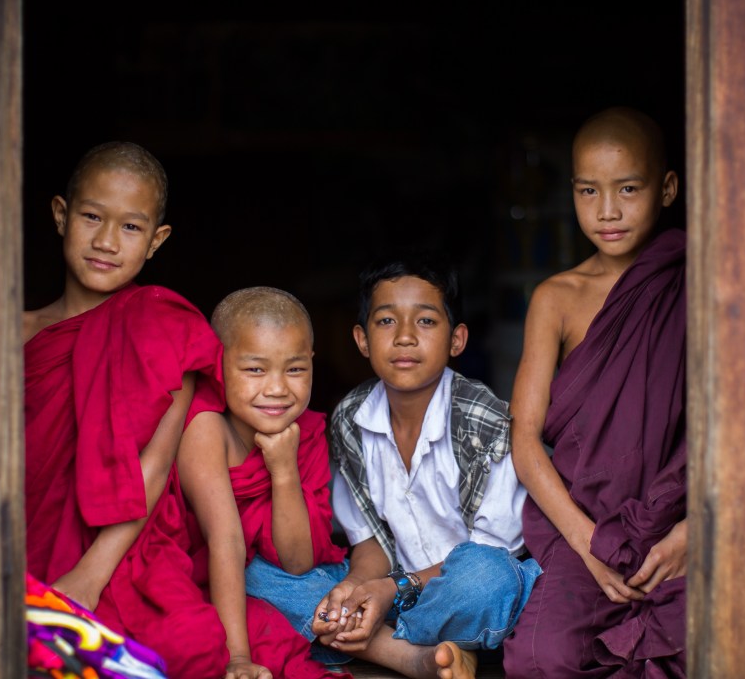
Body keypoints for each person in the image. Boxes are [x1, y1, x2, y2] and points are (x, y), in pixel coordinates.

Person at [23, 140, 235, 677]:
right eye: (92, 217)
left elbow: (155, 466)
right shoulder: (12, 331)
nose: (106, 241)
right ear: (61, 215)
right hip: (22, 538)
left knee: (191, 648)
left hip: (121, 549)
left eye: (131, 227)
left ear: (156, 240)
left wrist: (88, 578)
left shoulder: (163, 324)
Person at [501, 106, 688, 678]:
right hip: (585, 525)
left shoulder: (701, 281)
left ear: (667, 188)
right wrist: (589, 545)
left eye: (628, 189)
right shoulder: (556, 298)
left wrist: (696, 532)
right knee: (541, 659)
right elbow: (525, 442)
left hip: (681, 524)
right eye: (589, 191)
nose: (607, 210)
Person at [311, 255, 542, 679]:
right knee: (266, 579)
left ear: (457, 340)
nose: (404, 337)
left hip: (467, 595)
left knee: (487, 579)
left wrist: (392, 590)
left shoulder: (484, 420)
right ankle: (414, 652)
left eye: (426, 321)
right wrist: (356, 588)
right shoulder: (351, 418)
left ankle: (378, 641)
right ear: (362, 340)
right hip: (390, 593)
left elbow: (493, 555)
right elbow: (368, 540)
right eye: (386, 321)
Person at [178, 288, 348, 679]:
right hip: (214, 580)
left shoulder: (306, 431)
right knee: (265, 580)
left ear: (312, 362)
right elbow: (225, 542)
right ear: (218, 366)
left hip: (289, 579)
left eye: (295, 370)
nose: (277, 389)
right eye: (255, 370)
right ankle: (396, 650)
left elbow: (298, 561)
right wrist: (237, 658)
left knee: (329, 585)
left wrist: (284, 469)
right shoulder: (207, 428)